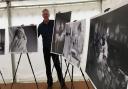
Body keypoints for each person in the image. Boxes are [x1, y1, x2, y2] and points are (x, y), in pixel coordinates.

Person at [38, 9, 68, 89]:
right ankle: (50, 84)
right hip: (46, 49)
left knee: (57, 66)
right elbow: (35, 36)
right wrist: (30, 28)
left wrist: (61, 17)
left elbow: (62, 27)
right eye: (44, 14)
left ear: (49, 15)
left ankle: (62, 84)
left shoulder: (54, 22)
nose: (45, 15)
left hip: (54, 48)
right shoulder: (40, 26)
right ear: (42, 15)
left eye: (47, 14)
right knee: (48, 67)